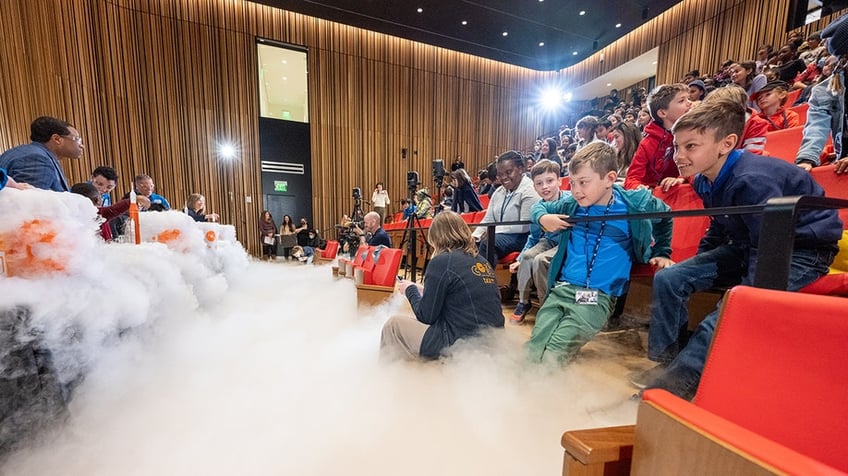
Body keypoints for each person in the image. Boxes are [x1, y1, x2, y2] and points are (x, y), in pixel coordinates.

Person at [634, 95, 842, 398]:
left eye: (691, 146)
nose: (679, 155)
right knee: (670, 277)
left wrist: (748, 293)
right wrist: (700, 265)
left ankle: (672, 389)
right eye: (677, 146)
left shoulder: (752, 178)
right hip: (751, 244)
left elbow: (769, 244)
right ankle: (670, 364)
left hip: (800, 250)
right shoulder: (703, 178)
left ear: (727, 143)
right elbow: (721, 225)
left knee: (730, 308)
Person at [526, 142, 673, 364]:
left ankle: (540, 393)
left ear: (610, 178)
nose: (576, 190)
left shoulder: (636, 202)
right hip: (562, 290)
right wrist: (542, 218)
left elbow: (666, 216)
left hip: (598, 296)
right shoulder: (572, 204)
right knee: (534, 347)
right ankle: (521, 390)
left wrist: (662, 251)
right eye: (572, 183)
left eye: (583, 183)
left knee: (556, 351)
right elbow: (539, 208)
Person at [381, 211, 503, 361]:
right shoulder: (482, 261)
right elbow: (459, 296)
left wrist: (410, 290)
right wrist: (422, 289)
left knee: (393, 326)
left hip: (460, 344)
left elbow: (426, 316)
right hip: (493, 342)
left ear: (436, 237)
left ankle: (392, 376)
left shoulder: (441, 261)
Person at [507, 159, 568, 323]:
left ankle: (546, 304)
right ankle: (523, 301)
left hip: (567, 241)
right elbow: (533, 237)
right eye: (539, 183)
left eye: (550, 181)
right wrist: (519, 259)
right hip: (547, 241)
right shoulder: (537, 208)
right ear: (534, 187)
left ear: (560, 181)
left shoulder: (570, 200)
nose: (545, 187)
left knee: (540, 260)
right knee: (527, 256)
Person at [472, 151, 540, 267]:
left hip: (524, 237)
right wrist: (474, 236)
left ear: (520, 169)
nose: (504, 178)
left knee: (488, 243)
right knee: (472, 246)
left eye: (508, 172)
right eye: (500, 174)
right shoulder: (498, 192)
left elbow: (524, 226)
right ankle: (475, 281)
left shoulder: (530, 190)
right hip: (500, 235)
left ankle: (486, 283)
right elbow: (489, 218)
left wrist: (492, 231)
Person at [624, 83, 691, 190]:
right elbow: (632, 177)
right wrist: (639, 188)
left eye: (689, 98)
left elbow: (699, 167)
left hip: (681, 191)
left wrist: (681, 178)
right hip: (655, 195)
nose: (690, 103)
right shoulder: (647, 143)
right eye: (681, 101)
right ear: (662, 112)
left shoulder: (694, 134)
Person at [0, 116, 84, 192]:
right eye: (77, 139)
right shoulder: (36, 159)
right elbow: (32, 205)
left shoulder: (25, 152)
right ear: (57, 139)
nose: (82, 146)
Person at [70, 182, 150, 241]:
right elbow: (114, 210)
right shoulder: (97, 213)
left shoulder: (71, 217)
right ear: (97, 200)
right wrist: (133, 200)